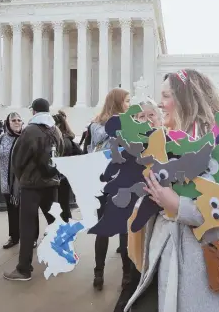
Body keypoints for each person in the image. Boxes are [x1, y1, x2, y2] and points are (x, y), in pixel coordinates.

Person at [124, 69, 219, 312]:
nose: (161, 103)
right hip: (162, 255)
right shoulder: (163, 141)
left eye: (167, 96)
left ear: (187, 99)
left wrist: (180, 207)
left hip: (202, 266)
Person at [3, 98, 64, 281]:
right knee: (54, 221)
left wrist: (22, 178)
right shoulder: (56, 130)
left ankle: (24, 269)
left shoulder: (30, 130)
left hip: (31, 186)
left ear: (34, 111)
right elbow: (61, 153)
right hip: (51, 183)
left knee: (27, 226)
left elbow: (18, 159)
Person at [113, 97, 163, 312]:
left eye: (151, 115)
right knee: (133, 270)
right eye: (141, 116)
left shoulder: (170, 143)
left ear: (159, 118)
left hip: (160, 220)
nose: (147, 120)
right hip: (134, 217)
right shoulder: (129, 147)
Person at [89, 88, 131, 291]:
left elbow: (91, 149)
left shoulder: (96, 124)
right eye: (127, 101)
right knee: (124, 231)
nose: (129, 105)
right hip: (121, 184)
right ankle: (126, 275)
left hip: (101, 184)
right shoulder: (125, 125)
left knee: (103, 231)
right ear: (118, 102)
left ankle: (98, 274)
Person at [0, 113, 40, 249]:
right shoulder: (2, 138)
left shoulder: (26, 137)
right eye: (13, 120)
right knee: (12, 211)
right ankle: (14, 237)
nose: (17, 122)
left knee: (30, 212)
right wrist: (6, 171)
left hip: (25, 183)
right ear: (8, 122)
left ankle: (32, 238)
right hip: (7, 183)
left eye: (19, 120)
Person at [53, 111, 82, 222]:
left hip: (59, 176)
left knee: (60, 205)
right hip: (66, 176)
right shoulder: (68, 138)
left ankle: (64, 226)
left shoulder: (62, 141)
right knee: (64, 204)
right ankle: (66, 224)